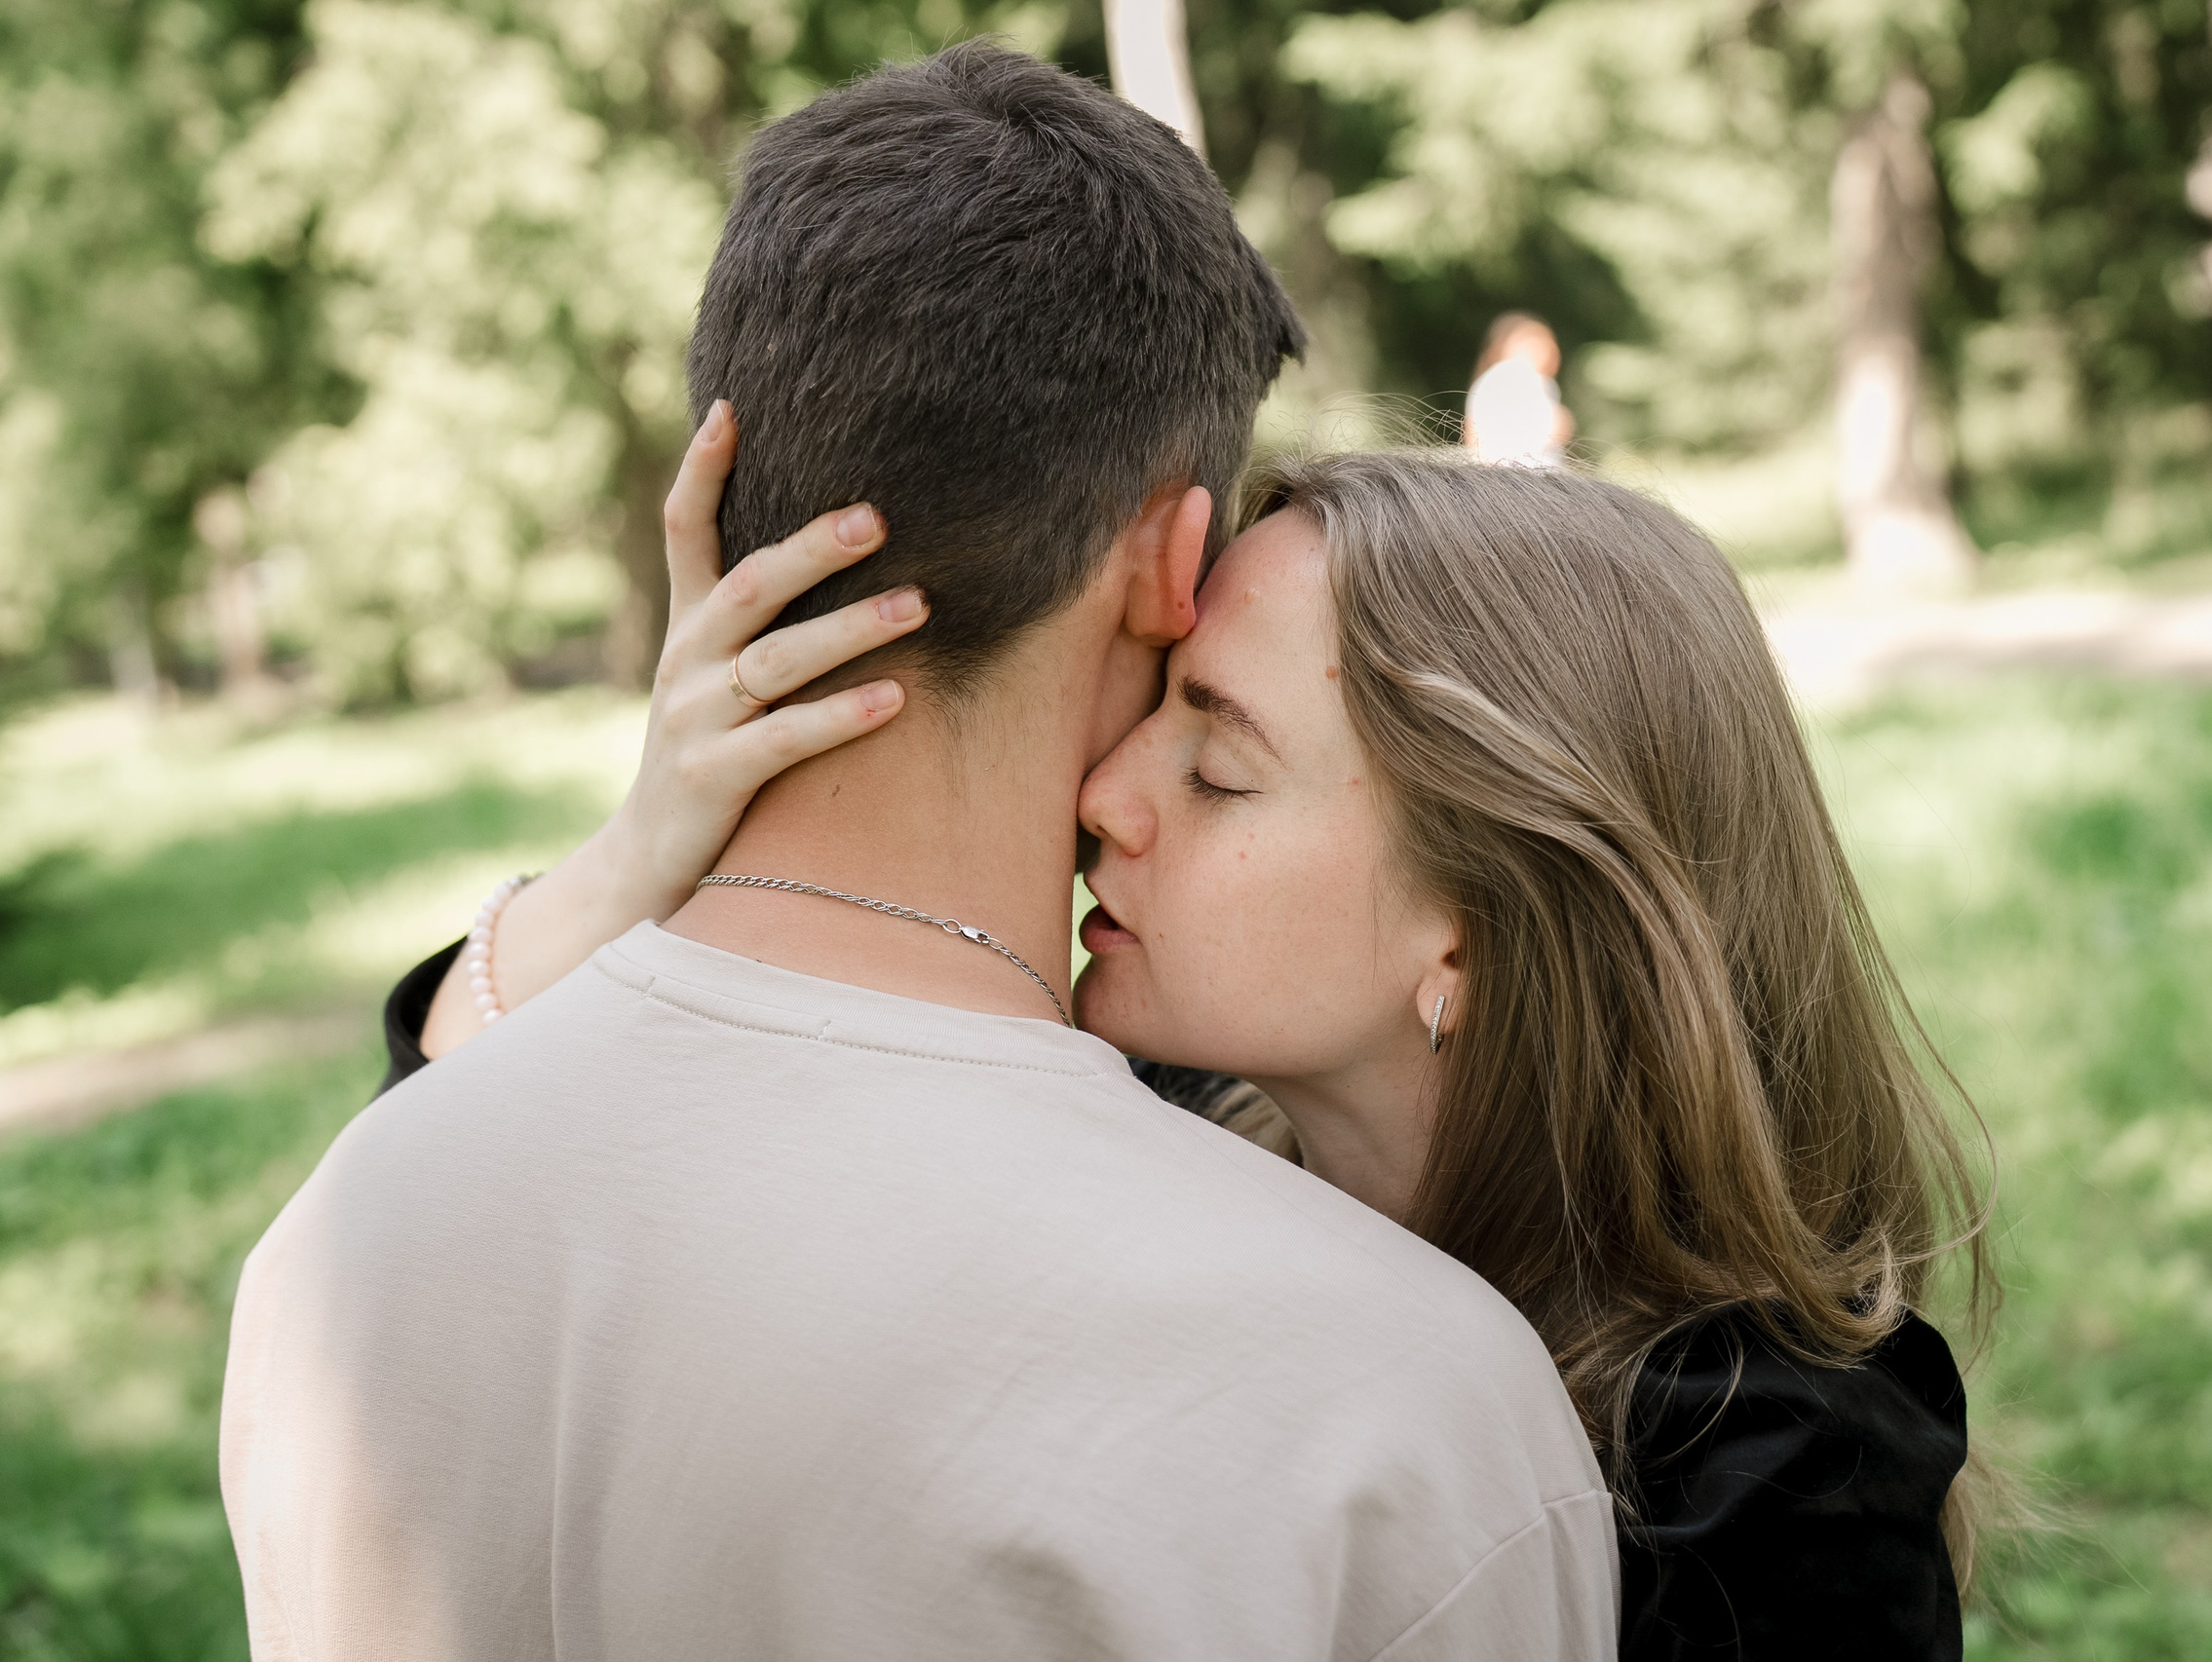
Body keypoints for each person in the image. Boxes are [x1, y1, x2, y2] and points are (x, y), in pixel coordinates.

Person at [221, 46, 1620, 1662]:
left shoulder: (340, 1247)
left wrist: (628, 862)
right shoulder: (1395, 1413)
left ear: (734, 494)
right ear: (1175, 560)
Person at [385, 434, 1996, 1658]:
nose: (1104, 798)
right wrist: (636, 851)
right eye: (1154, 703)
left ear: (1480, 930)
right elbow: (475, 1128)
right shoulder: (1152, 1132)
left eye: (1217, 768)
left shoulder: (1774, 1476)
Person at [1462, 312, 1573, 468]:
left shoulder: (1536, 382)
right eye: (1532, 343)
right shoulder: (1511, 375)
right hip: (1520, 475)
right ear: (1500, 347)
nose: (1545, 348)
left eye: (1548, 341)